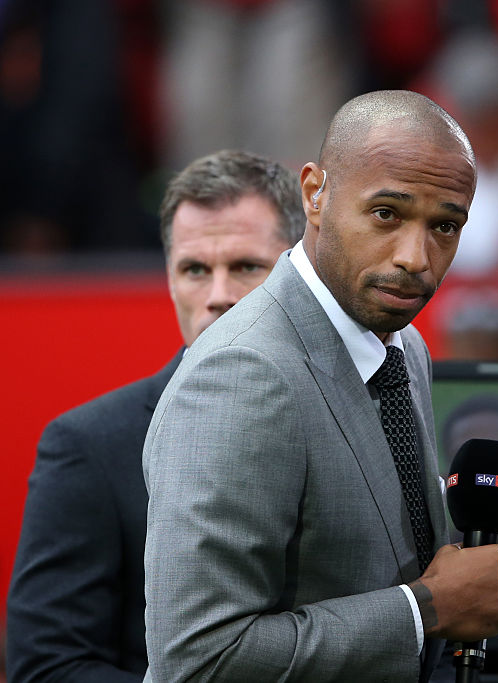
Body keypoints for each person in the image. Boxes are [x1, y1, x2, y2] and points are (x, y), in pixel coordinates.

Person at [141, 90, 498, 682]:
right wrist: (428, 610)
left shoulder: (401, 345)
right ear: (315, 194)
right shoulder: (240, 375)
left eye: (445, 225)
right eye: (387, 213)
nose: (416, 257)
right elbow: (197, 660)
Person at [6, 149, 304, 682]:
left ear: (300, 273)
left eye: (245, 267)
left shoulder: (362, 412)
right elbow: (46, 666)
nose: (218, 296)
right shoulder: (88, 445)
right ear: (168, 281)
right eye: (195, 270)